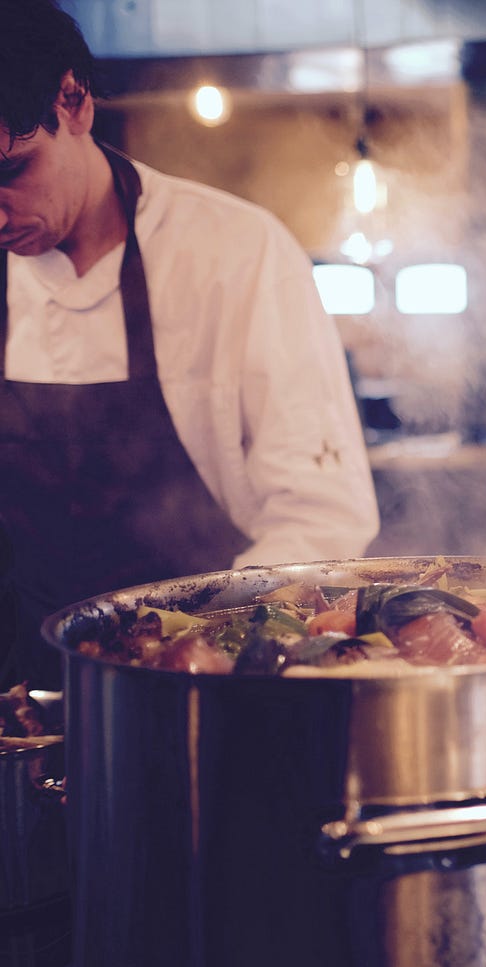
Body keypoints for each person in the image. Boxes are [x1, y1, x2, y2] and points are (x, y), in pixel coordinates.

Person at [0, 0, 380, 687]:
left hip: (205, 695)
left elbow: (320, 517)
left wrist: (215, 662)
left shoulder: (235, 254)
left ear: (74, 101)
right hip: (21, 709)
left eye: (12, 170)